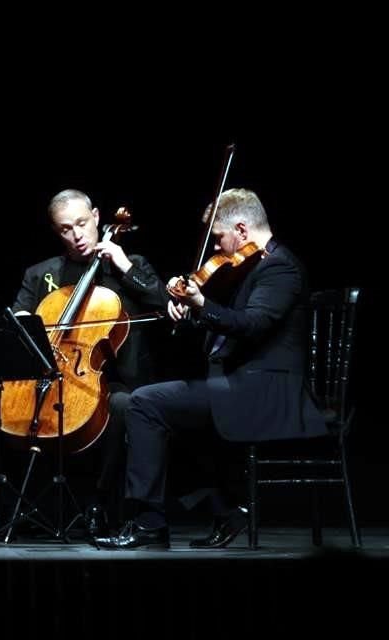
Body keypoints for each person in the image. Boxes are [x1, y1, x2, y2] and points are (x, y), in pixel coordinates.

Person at [95, 188, 328, 550]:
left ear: (242, 230)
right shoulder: (249, 267)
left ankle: (149, 525)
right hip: (240, 383)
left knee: (144, 403)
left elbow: (252, 325)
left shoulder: (280, 267)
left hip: (269, 393)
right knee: (161, 414)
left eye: (219, 238)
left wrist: (202, 303)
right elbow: (227, 323)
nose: (217, 248)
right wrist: (189, 314)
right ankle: (223, 511)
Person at [0, 189, 168, 538]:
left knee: (124, 407)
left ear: (96, 216)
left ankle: (99, 504)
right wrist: (21, 323)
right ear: (55, 231)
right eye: (65, 229)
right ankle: (6, 508)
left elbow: (163, 301)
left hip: (110, 379)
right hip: (49, 378)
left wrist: (123, 266)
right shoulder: (41, 275)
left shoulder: (129, 264)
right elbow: (18, 324)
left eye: (81, 223)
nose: (77, 235)